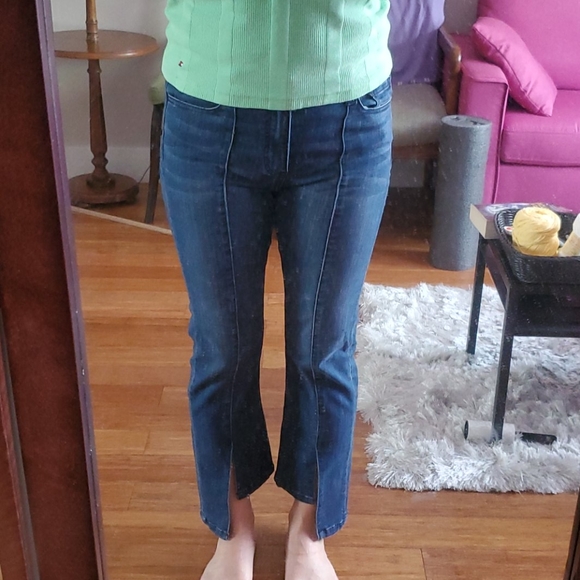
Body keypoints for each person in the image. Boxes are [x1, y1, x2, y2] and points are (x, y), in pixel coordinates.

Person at [160, 1, 393, 578]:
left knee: (325, 348)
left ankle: (308, 532)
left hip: (346, 100)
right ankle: (232, 529)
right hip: (208, 97)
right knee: (221, 348)